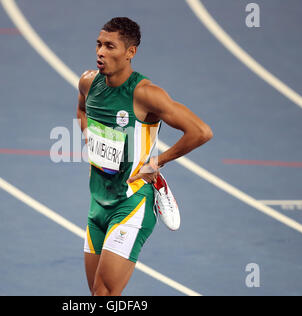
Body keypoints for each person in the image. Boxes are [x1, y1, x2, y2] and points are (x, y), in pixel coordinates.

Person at [76, 17, 213, 296]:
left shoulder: (145, 94)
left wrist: (157, 162)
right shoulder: (88, 82)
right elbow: (82, 110)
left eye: (110, 46)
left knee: (105, 293)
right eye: (99, 44)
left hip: (132, 204)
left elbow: (200, 132)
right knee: (96, 294)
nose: (100, 52)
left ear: (130, 52)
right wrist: (89, 135)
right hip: (97, 205)